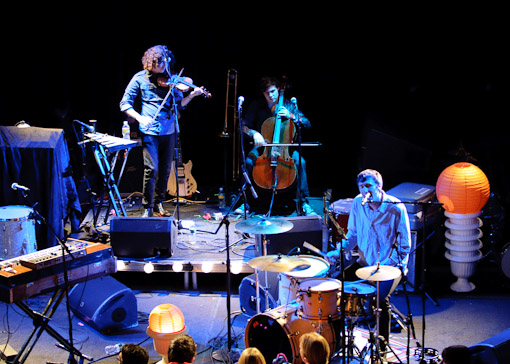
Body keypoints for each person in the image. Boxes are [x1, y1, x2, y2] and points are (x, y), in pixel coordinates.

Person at [326, 169, 411, 353]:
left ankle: (382, 348)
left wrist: (385, 267)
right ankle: (338, 341)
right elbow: (353, 234)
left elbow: (405, 246)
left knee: (381, 302)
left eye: (368, 186)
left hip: (391, 267)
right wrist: (338, 251)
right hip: (366, 264)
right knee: (335, 288)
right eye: (361, 187)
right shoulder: (358, 202)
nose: (365, 191)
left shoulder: (396, 208)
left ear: (379, 187)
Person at [120, 45, 204, 217]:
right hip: (149, 130)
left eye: (166, 62)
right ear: (151, 63)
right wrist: (140, 118)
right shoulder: (139, 78)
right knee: (152, 168)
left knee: (165, 170)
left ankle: (159, 203)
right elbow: (124, 103)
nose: (164, 67)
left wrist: (192, 95)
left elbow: (179, 106)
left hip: (169, 130)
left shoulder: (173, 80)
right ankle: (147, 206)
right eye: (160, 63)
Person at [237, 76, 316, 216]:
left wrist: (291, 115)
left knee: (300, 162)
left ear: (278, 89)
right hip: (264, 147)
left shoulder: (288, 105)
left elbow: (307, 123)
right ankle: (245, 201)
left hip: (286, 148)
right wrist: (254, 133)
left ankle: (303, 202)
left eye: (273, 91)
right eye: (267, 93)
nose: (271, 95)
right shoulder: (257, 105)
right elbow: (244, 126)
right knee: (248, 162)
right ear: (263, 93)